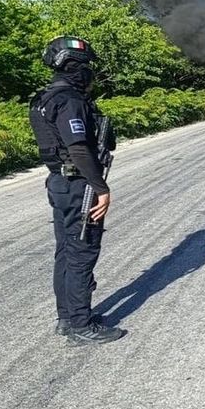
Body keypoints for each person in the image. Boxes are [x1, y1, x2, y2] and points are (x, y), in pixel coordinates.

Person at [29, 36, 125, 345]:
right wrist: (101, 188)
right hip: (78, 184)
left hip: (60, 183)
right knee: (82, 251)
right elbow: (80, 149)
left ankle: (67, 318)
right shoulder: (69, 100)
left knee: (66, 251)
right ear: (73, 66)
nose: (89, 73)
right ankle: (82, 325)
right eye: (86, 67)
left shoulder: (44, 98)